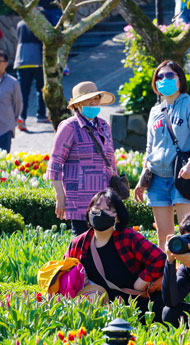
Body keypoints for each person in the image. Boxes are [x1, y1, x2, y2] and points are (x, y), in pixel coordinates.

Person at [133, 60, 190, 252]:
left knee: (188, 235)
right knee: (164, 238)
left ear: (179, 79)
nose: (163, 79)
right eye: (159, 76)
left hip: (183, 176)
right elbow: (150, 146)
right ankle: (168, 279)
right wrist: (143, 177)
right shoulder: (155, 110)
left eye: (169, 75)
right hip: (157, 178)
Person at [65, 190, 166, 321]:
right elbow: (65, 274)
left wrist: (141, 282)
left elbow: (159, 259)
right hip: (98, 311)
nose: (100, 213)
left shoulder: (128, 238)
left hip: (136, 307)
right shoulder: (78, 244)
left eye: (107, 209)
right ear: (89, 211)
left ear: (117, 217)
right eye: (96, 208)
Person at [47, 81, 117, 236]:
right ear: (77, 104)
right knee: (82, 246)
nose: (93, 102)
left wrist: (115, 193)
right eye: (88, 99)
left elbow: (111, 161)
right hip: (78, 200)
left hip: (103, 198)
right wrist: (60, 197)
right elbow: (55, 164)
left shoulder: (104, 126)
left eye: (96, 98)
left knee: (105, 243)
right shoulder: (69, 126)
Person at [14, 18, 49, 132]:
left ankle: (21, 117)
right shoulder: (38, 22)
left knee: (23, 92)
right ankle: (41, 115)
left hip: (21, 59)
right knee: (41, 88)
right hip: (37, 59)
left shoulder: (20, 24)